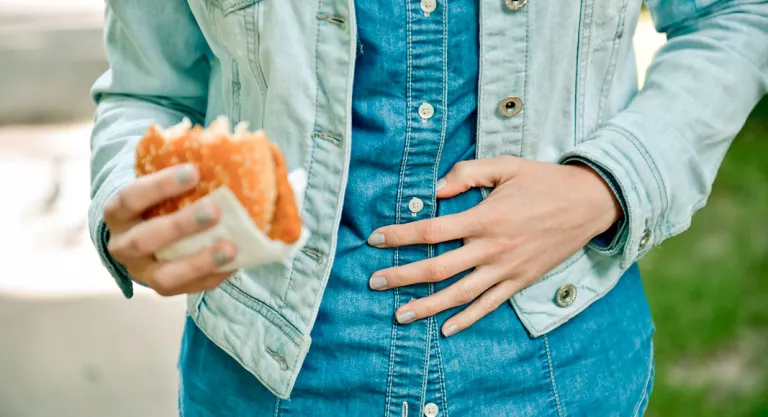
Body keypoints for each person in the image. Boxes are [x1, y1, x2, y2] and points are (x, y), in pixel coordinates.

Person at [88, 0, 768, 415]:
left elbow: (735, 13)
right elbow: (149, 92)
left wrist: (607, 183)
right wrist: (135, 204)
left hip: (555, 375)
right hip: (272, 383)